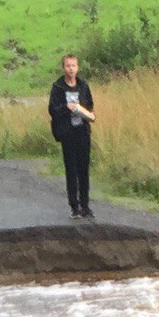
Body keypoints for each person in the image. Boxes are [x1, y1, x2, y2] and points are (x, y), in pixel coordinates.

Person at [48, 54, 95, 219]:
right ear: (63, 68)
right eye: (68, 66)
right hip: (67, 133)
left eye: (74, 65)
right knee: (71, 170)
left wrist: (85, 112)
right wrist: (66, 107)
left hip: (82, 132)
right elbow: (52, 110)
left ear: (78, 67)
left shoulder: (83, 86)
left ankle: (86, 205)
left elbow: (90, 106)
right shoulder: (58, 87)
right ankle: (74, 206)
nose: (71, 69)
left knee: (84, 170)